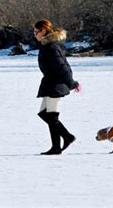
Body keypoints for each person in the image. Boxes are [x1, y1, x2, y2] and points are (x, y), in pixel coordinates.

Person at [33, 19, 80, 155]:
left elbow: (62, 67)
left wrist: (71, 83)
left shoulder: (51, 47)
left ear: (43, 31)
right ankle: (60, 143)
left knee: (51, 116)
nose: (34, 34)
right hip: (49, 83)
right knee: (44, 114)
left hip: (56, 85)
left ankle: (63, 141)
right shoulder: (46, 45)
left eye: (36, 32)